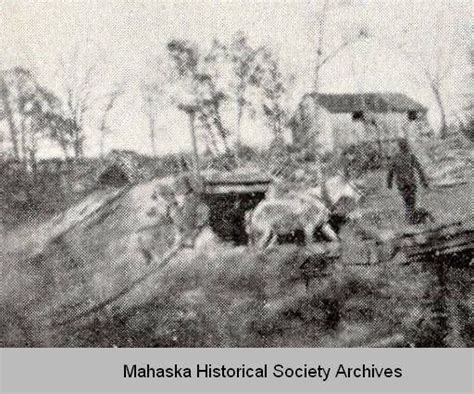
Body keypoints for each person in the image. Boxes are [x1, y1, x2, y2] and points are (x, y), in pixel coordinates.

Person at [387, 138, 429, 223]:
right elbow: (419, 169)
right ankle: (411, 219)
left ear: (399, 147)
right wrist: (423, 181)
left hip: (403, 184)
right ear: (406, 146)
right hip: (409, 183)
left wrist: (389, 183)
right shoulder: (409, 156)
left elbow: (390, 172)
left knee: (408, 201)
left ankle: (410, 218)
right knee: (410, 201)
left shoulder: (396, 157)